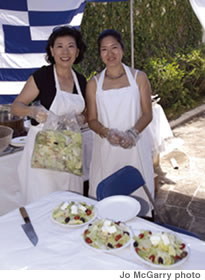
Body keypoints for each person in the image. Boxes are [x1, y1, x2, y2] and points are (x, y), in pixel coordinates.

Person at [11, 26, 87, 204]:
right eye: (59, 46)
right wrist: (33, 111)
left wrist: (81, 119)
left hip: (70, 150)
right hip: (43, 151)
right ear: (52, 51)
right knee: (43, 201)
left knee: (70, 201)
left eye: (71, 46)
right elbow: (16, 106)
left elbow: (87, 112)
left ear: (77, 51)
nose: (65, 51)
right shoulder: (42, 76)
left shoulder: (81, 80)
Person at [86, 29, 155, 206]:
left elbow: (147, 113)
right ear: (100, 54)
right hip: (106, 150)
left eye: (114, 47)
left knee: (139, 202)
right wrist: (107, 132)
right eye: (104, 49)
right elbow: (92, 119)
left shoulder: (139, 77)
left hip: (136, 148)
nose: (110, 53)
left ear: (122, 49)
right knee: (106, 203)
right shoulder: (93, 84)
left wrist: (132, 133)